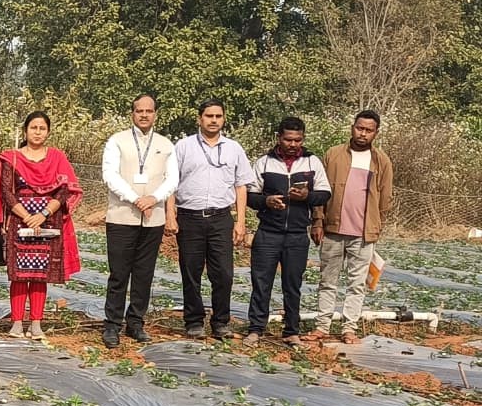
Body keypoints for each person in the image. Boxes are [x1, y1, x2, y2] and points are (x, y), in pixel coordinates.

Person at [0, 111, 82, 340]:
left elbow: (64, 190)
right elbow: (6, 191)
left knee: (40, 273)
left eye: (42, 128)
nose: (37, 132)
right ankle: (17, 324)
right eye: (33, 128)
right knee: (19, 274)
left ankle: (36, 324)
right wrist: (26, 215)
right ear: (25, 130)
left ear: (48, 132)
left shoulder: (57, 158)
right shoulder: (12, 158)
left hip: (48, 220)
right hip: (20, 220)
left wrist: (44, 213)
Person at [166, 100, 253, 339]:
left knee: (223, 273)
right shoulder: (183, 147)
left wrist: (241, 221)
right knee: (191, 271)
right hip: (189, 218)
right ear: (199, 119)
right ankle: (194, 322)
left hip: (220, 218)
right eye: (208, 116)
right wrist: (170, 214)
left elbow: (241, 185)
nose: (213, 120)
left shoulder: (234, 148)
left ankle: (221, 322)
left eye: (218, 116)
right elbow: (171, 183)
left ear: (224, 119)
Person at [245, 117, 332, 347]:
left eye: (298, 140)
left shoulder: (312, 162)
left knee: (292, 284)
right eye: (288, 139)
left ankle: (291, 331)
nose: (293, 144)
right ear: (279, 138)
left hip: (296, 234)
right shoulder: (263, 163)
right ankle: (256, 329)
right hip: (268, 232)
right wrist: (267, 201)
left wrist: (307, 197)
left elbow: (325, 193)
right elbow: (250, 197)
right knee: (261, 282)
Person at [100, 93, 177, 347]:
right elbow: (110, 175)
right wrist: (136, 198)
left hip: (152, 218)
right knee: (119, 274)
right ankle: (112, 325)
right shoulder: (117, 141)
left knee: (144, 274)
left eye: (149, 111)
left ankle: (136, 322)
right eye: (139, 111)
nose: (144, 115)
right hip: (123, 217)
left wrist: (154, 197)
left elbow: (172, 179)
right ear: (132, 113)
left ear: (155, 113)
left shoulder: (166, 144)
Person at [309, 110, 394, 343]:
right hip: (332, 231)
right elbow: (320, 193)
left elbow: (385, 199)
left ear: (376, 133)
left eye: (368, 130)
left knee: (357, 285)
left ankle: (349, 328)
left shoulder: (381, 161)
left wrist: (376, 226)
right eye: (359, 128)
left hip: (363, 234)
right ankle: (322, 326)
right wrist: (317, 221)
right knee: (328, 281)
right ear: (352, 127)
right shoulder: (333, 155)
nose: (362, 133)